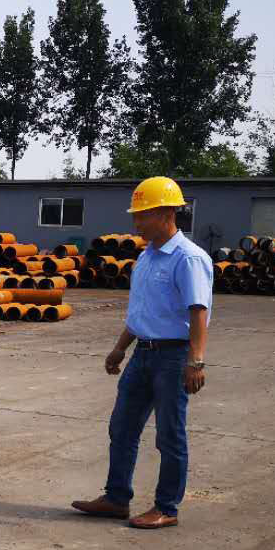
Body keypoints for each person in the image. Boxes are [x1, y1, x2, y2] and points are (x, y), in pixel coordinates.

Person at [72, 176, 213, 530]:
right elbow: (141, 312)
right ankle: (117, 498)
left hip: (173, 357)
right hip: (143, 354)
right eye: (135, 215)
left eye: (143, 215)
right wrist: (120, 348)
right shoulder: (146, 257)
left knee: (169, 435)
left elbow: (198, 311)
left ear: (167, 213)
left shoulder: (189, 258)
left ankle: (167, 507)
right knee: (122, 428)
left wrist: (195, 361)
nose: (136, 223)